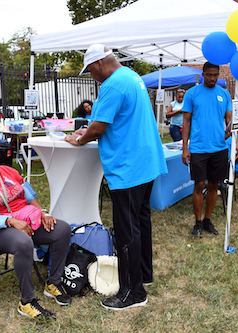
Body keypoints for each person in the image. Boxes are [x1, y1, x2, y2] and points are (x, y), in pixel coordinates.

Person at [64, 44, 167, 311]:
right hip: (145, 162)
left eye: (90, 71)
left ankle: (132, 293)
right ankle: (143, 275)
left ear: (99, 63)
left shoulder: (112, 84)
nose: (92, 77)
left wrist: (79, 138)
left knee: (126, 231)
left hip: (128, 167)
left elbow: (98, 127)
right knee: (141, 223)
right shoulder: (132, 77)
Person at [0, 136, 72, 320]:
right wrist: (10, 221)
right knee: (23, 242)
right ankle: (27, 302)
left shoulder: (8, 171)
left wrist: (42, 212)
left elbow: (28, 194)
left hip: (25, 221)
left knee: (62, 229)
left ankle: (54, 283)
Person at [181, 62, 238, 237]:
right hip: (198, 148)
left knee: (215, 185)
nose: (212, 78)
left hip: (219, 148)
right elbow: (186, 121)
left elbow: (231, 122)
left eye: (215, 75)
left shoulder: (224, 94)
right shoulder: (192, 93)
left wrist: (234, 140)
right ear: (203, 74)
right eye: (209, 75)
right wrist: (185, 147)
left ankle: (207, 220)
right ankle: (198, 222)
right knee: (199, 184)